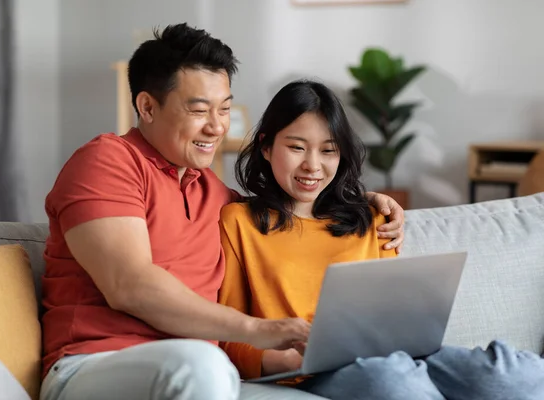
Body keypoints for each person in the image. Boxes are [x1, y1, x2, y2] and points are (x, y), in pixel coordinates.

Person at [39, 23, 405, 400]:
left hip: (206, 379)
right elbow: (129, 286)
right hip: (95, 366)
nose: (216, 127)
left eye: (225, 109)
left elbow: (290, 209)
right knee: (203, 362)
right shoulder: (107, 161)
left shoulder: (212, 193)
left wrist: (362, 200)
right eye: (199, 110)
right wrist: (256, 330)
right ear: (147, 106)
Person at [218, 79, 544, 400]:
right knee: (393, 383)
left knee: (514, 375)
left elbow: (397, 317)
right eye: (296, 147)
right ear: (265, 146)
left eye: (328, 150)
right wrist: (283, 359)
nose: (312, 165)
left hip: (400, 356)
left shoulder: (370, 217)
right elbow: (229, 334)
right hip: (316, 372)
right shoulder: (239, 224)